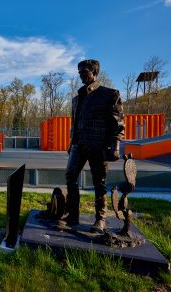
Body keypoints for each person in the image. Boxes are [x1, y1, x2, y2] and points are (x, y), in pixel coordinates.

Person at [64, 59, 125, 233]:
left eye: (85, 72)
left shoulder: (109, 94)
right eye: (80, 72)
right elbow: (74, 123)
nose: (82, 75)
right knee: (70, 176)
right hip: (78, 144)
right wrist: (71, 143)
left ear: (94, 72)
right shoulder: (77, 99)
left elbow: (118, 122)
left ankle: (101, 219)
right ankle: (73, 215)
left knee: (99, 182)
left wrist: (116, 145)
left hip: (98, 145)